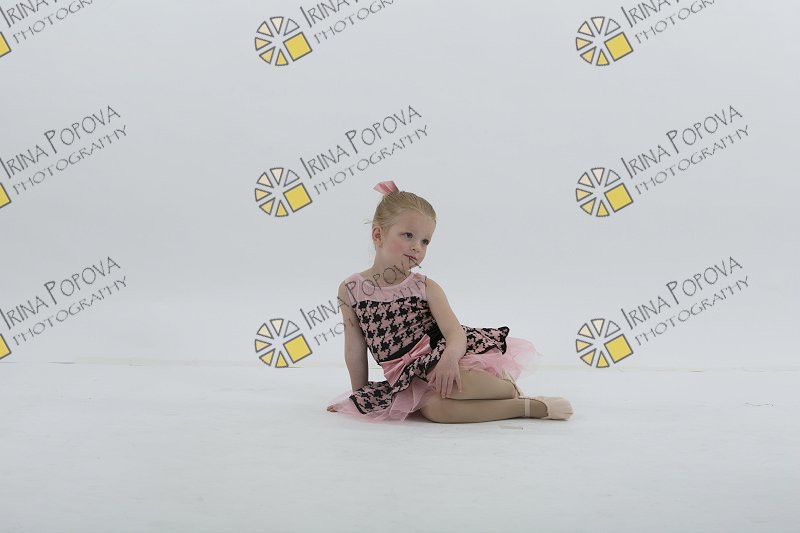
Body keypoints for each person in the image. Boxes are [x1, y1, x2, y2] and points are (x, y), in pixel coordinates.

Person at [325, 180, 573, 423]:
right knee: (436, 411)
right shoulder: (351, 289)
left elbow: (455, 334)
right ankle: (523, 407)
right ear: (378, 234)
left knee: (453, 385)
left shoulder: (424, 287)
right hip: (406, 376)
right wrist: (360, 395)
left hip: (442, 357)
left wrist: (449, 359)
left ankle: (506, 388)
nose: (417, 247)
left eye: (425, 241)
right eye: (408, 235)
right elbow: (354, 348)